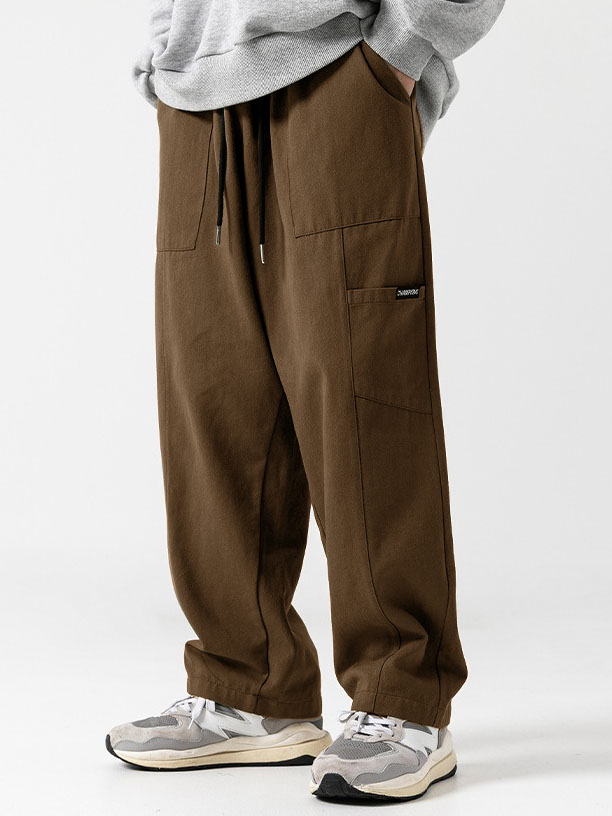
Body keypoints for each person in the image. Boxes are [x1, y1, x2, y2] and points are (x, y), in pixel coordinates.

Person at [107, 0, 505, 802]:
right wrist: (168, 46)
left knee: (361, 399)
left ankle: (403, 700)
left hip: (336, 73)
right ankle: (249, 688)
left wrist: (402, 49)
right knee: (213, 402)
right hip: (195, 98)